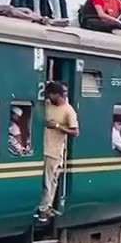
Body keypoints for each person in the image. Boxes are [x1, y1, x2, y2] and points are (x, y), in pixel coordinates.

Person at [40, 81, 78, 220]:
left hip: (54, 150)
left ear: (57, 95)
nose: (48, 97)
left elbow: (75, 132)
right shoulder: (48, 104)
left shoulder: (69, 111)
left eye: (50, 94)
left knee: (50, 180)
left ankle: (44, 208)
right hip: (44, 147)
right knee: (50, 180)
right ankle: (47, 206)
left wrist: (57, 126)